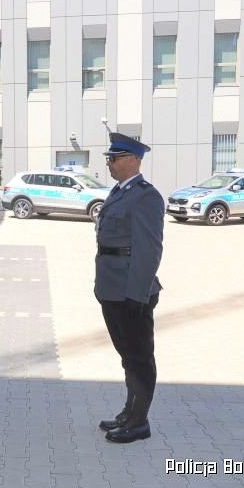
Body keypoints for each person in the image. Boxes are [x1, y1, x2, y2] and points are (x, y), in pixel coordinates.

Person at [95, 132, 164, 444]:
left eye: (115, 158)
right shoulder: (119, 192)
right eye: (109, 158)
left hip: (130, 291)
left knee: (139, 357)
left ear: (134, 160)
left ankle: (139, 422)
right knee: (127, 355)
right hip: (112, 287)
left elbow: (149, 249)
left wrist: (138, 293)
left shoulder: (146, 196)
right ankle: (129, 411)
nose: (110, 163)